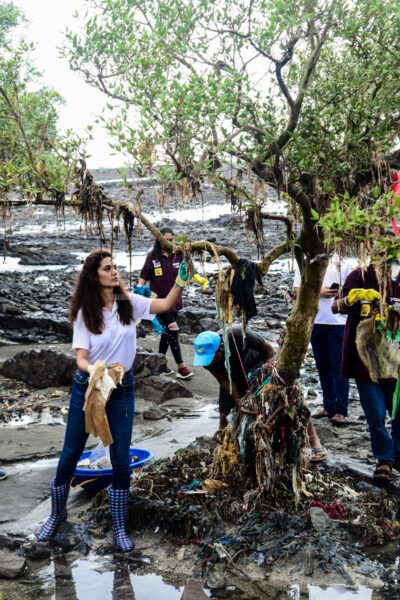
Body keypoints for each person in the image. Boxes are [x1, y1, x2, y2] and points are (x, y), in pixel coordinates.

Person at [37, 248, 191, 551]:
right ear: (95, 276)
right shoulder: (86, 311)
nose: (114, 271)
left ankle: (119, 528)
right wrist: (94, 367)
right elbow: (80, 358)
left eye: (115, 266)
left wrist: (182, 280)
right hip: (90, 386)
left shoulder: (126, 302)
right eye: (108, 268)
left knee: (120, 458)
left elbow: (165, 304)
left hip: (122, 388)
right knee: (71, 453)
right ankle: (57, 515)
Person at [193, 327, 328, 461]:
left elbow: (269, 350)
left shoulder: (237, 335)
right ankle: (225, 449)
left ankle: (314, 440)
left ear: (221, 346)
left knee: (291, 397)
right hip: (231, 378)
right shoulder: (207, 359)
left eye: (212, 357)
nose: (209, 361)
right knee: (225, 415)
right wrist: (240, 401)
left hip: (257, 366)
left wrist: (263, 378)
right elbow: (223, 379)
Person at [332, 264, 400, 479]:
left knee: (398, 413)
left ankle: (397, 455)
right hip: (365, 361)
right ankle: (384, 459)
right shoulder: (359, 276)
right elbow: (335, 307)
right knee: (375, 415)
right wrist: (351, 299)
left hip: (395, 360)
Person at [294, 254, 353, 425]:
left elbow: (352, 290)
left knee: (339, 367)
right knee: (322, 366)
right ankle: (329, 406)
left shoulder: (343, 261)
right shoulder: (306, 260)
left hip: (339, 322)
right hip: (316, 320)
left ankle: (342, 410)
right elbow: (297, 289)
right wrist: (319, 291)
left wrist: (338, 293)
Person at [138, 227, 193, 379]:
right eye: (165, 240)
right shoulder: (152, 257)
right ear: (158, 240)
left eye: (171, 239)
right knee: (174, 329)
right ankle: (181, 367)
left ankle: (159, 363)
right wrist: (138, 292)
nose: (168, 242)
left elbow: (187, 273)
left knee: (168, 333)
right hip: (159, 301)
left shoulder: (178, 255)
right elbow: (143, 277)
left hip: (175, 301)